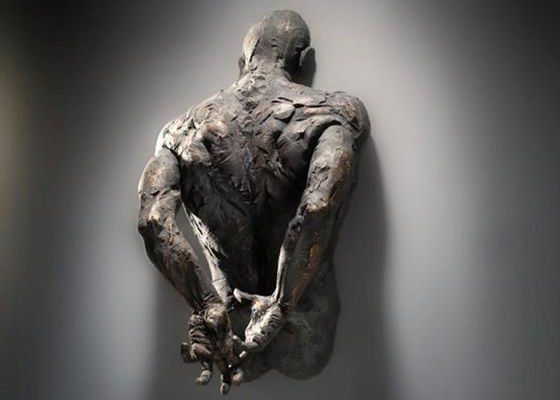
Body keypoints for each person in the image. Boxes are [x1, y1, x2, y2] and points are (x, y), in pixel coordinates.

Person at [137, 9, 369, 394]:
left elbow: (153, 220)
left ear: (241, 63)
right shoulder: (334, 113)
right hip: (303, 330)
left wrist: (205, 305)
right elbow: (317, 207)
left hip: (230, 327)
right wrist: (280, 307)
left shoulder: (178, 132)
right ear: (304, 60)